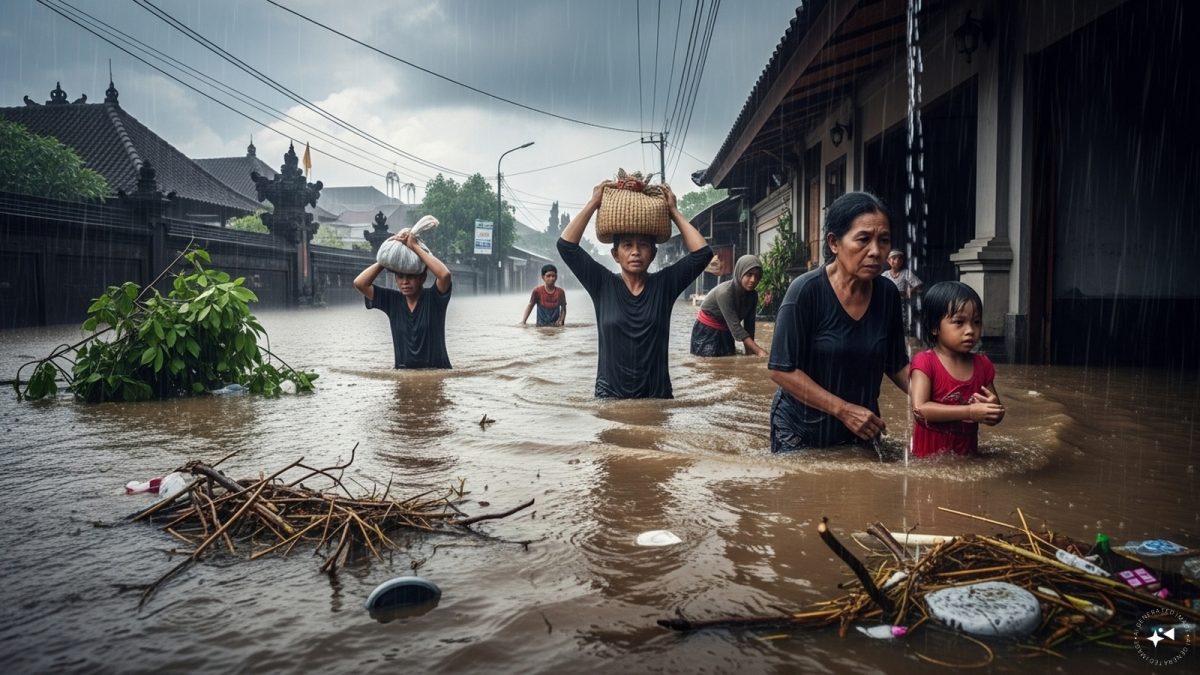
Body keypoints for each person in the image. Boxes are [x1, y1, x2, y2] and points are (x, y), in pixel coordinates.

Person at [767, 192, 910, 452]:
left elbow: (897, 364)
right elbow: (781, 370)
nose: (876, 252)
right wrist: (843, 410)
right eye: (864, 239)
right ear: (834, 243)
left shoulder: (888, 294)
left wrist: (945, 399)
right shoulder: (805, 292)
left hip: (861, 427)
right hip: (799, 429)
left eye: (884, 240)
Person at [557, 181, 713, 398]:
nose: (635, 252)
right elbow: (566, 246)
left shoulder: (664, 285)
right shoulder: (602, 284)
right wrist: (593, 203)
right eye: (627, 245)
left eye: (643, 245)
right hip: (609, 400)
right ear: (615, 254)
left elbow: (703, 254)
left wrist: (674, 211)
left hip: (657, 400)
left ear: (653, 254)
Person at [909, 281, 1005, 457]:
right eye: (959, 322)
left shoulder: (982, 365)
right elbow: (920, 409)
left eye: (976, 322)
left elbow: (993, 407)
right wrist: (969, 412)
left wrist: (995, 412)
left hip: (967, 458)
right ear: (934, 327)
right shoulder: (924, 362)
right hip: (928, 462)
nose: (970, 330)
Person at [353, 228, 453, 369]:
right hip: (403, 376)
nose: (405, 282)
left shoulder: (434, 299)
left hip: (436, 372)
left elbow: (445, 275)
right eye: (400, 277)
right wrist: (388, 256)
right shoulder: (392, 301)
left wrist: (415, 247)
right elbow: (359, 283)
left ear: (422, 278)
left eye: (411, 277)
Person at [690, 254, 768, 357]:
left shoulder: (753, 296)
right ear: (740, 273)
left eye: (757, 276)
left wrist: (750, 353)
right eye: (749, 274)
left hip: (726, 330)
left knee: (729, 359)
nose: (753, 280)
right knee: (710, 363)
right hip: (706, 331)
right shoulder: (725, 293)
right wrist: (758, 351)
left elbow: (749, 327)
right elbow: (736, 328)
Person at [883, 249, 922, 334]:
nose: (896, 261)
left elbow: (918, 284)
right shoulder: (885, 274)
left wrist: (910, 290)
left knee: (902, 320)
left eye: (899, 258)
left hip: (902, 302)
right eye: (893, 258)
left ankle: (904, 337)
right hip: (888, 301)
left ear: (902, 261)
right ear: (888, 261)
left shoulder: (905, 273)